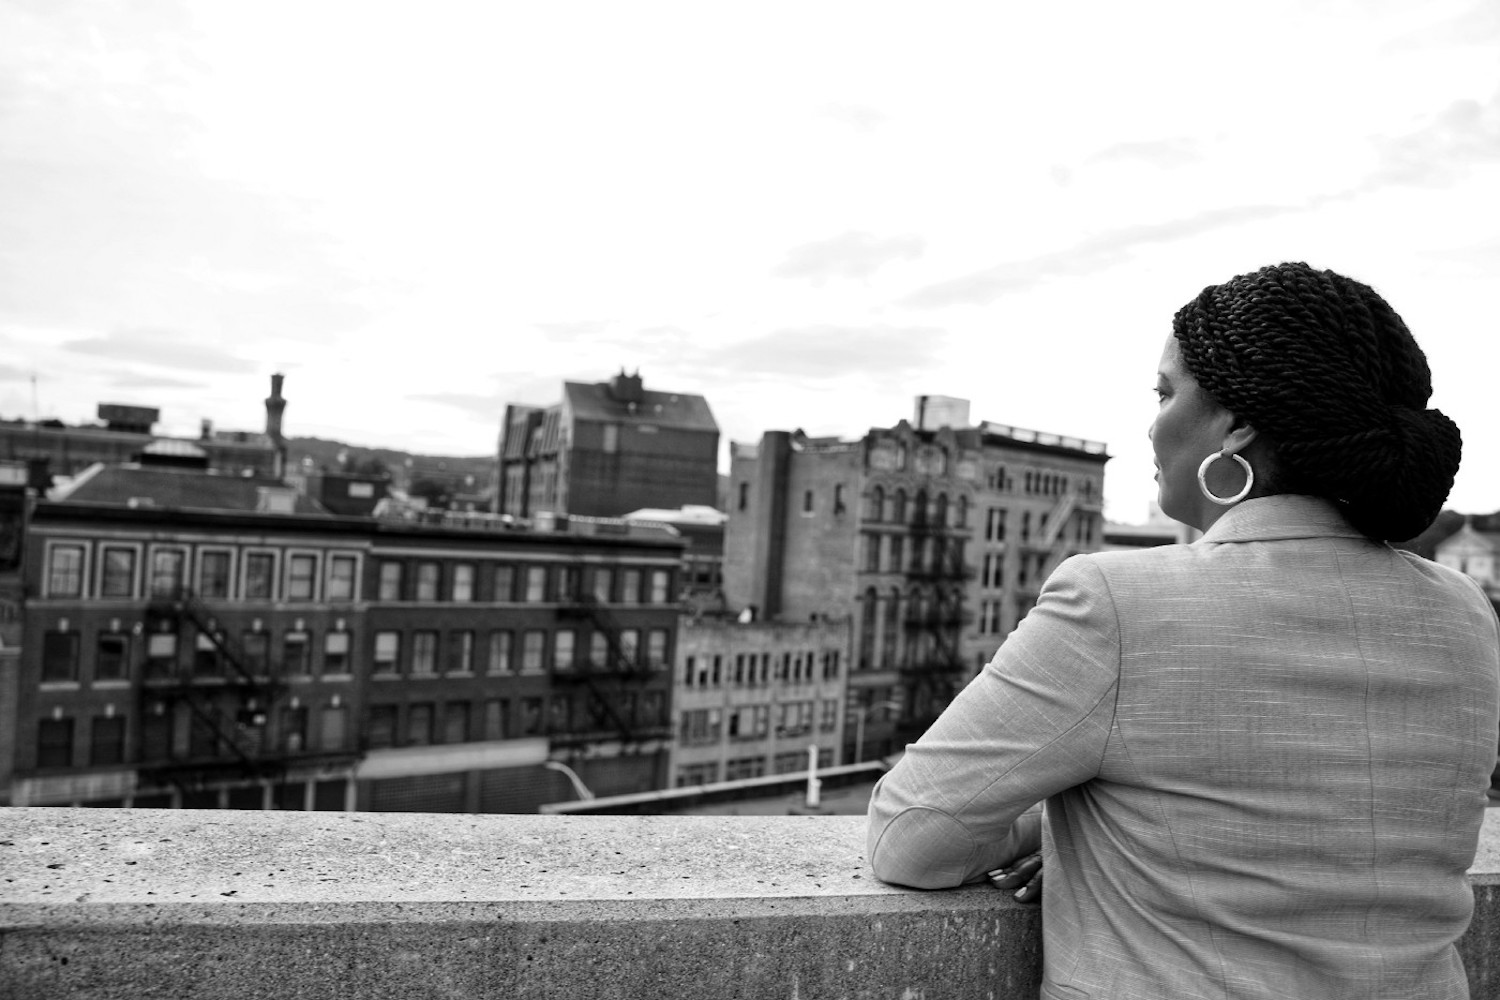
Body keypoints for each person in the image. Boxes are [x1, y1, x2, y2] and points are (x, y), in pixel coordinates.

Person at [866, 261, 1500, 999]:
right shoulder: (1465, 613)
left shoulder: (1114, 602)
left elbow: (910, 837)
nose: (1152, 422)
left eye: (1166, 393)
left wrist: (1065, 830)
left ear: (1235, 426)